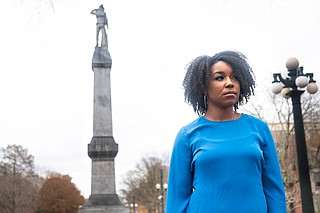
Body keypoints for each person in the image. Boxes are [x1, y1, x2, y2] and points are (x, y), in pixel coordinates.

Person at [166, 50, 286, 213]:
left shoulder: (259, 129)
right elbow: (176, 200)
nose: (230, 83)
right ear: (203, 86)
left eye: (235, 77)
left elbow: (274, 191)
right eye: (219, 77)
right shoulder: (187, 135)